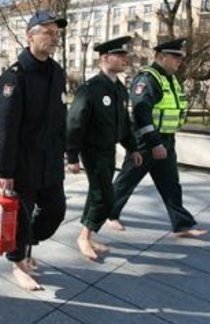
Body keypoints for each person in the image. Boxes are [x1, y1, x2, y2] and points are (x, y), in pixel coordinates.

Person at [0, 10, 67, 291]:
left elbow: (60, 117)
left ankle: (25, 246)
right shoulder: (15, 77)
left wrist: (68, 153)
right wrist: (5, 171)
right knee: (21, 216)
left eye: (57, 34)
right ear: (30, 36)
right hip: (23, 163)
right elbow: (6, 128)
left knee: (56, 211)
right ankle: (18, 262)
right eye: (47, 32)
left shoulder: (57, 72)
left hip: (50, 161)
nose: (54, 38)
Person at [107, 38, 208, 238]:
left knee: (171, 183)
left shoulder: (169, 78)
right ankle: (109, 214)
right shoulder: (148, 79)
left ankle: (182, 224)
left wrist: (163, 143)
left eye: (181, 57)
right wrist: (155, 143)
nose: (180, 61)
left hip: (166, 140)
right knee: (127, 181)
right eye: (176, 57)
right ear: (162, 57)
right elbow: (141, 113)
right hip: (147, 141)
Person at [66, 36, 143, 260]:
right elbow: (74, 122)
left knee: (98, 193)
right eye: (119, 55)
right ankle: (83, 236)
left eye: (124, 56)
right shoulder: (91, 88)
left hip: (108, 150)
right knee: (105, 197)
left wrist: (133, 148)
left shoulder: (119, 89)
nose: (124, 59)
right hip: (92, 150)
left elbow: (124, 123)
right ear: (105, 58)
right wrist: (72, 156)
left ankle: (87, 235)